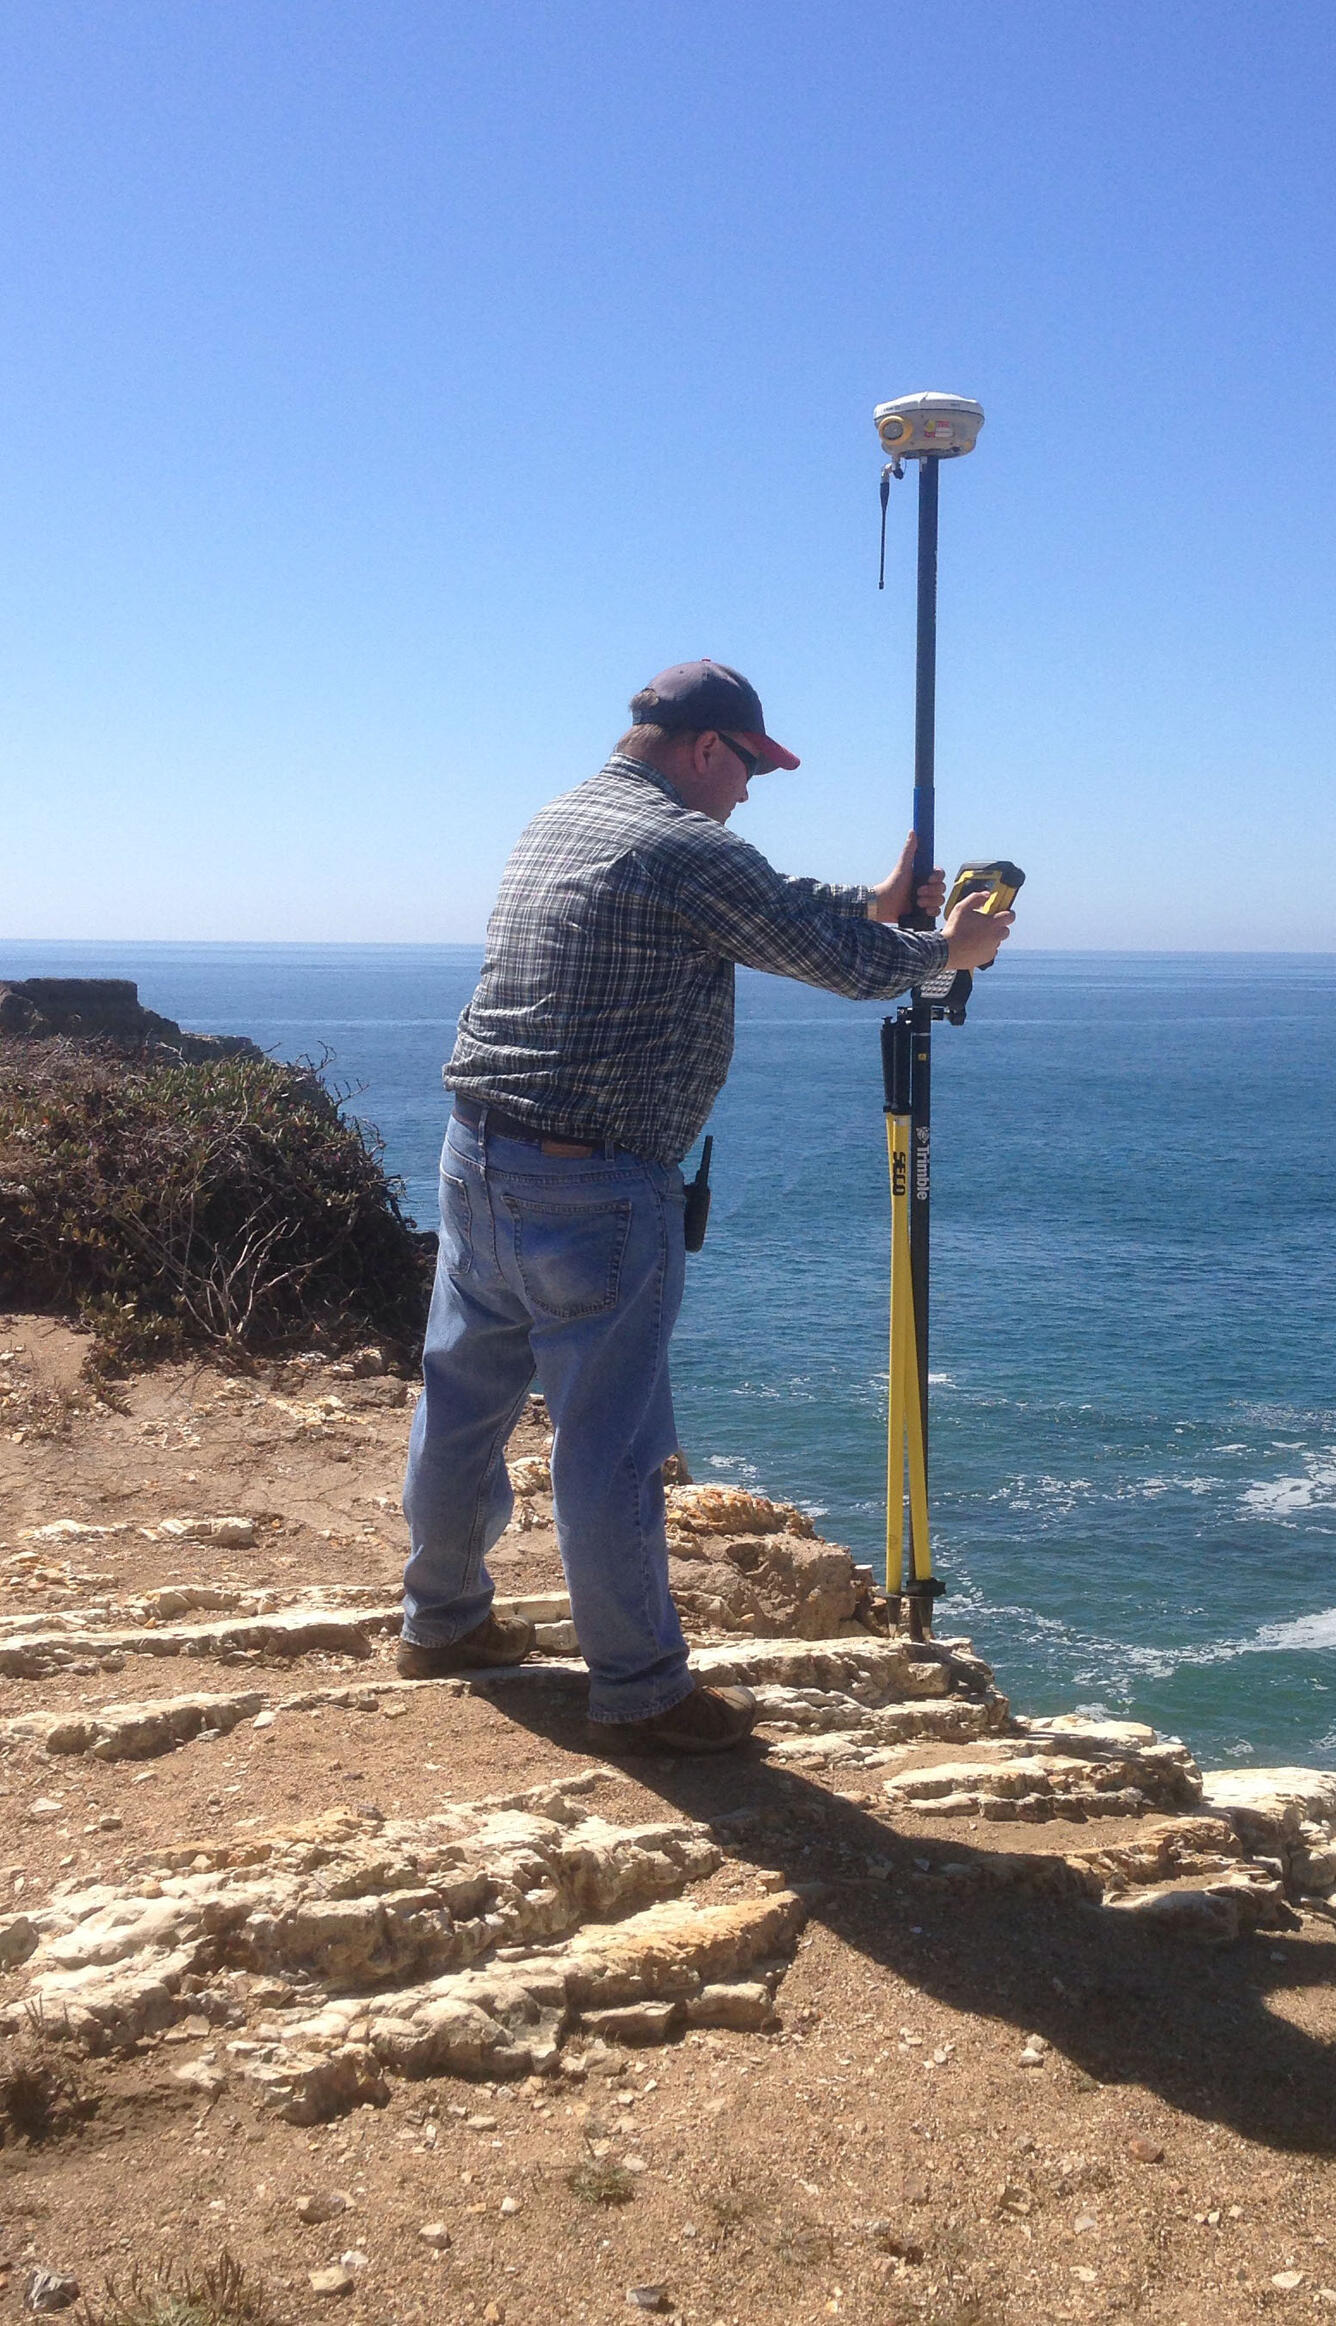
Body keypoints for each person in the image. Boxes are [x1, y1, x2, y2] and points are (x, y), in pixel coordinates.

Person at [399, 659, 1012, 1752]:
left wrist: (871, 905)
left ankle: (439, 1621)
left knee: (462, 1403)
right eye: (750, 770)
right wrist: (941, 951)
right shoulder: (689, 842)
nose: (749, 792)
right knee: (611, 1446)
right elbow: (831, 958)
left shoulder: (562, 818)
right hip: (593, 1183)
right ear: (704, 749)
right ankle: (640, 1689)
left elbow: (761, 909)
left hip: (476, 1155)